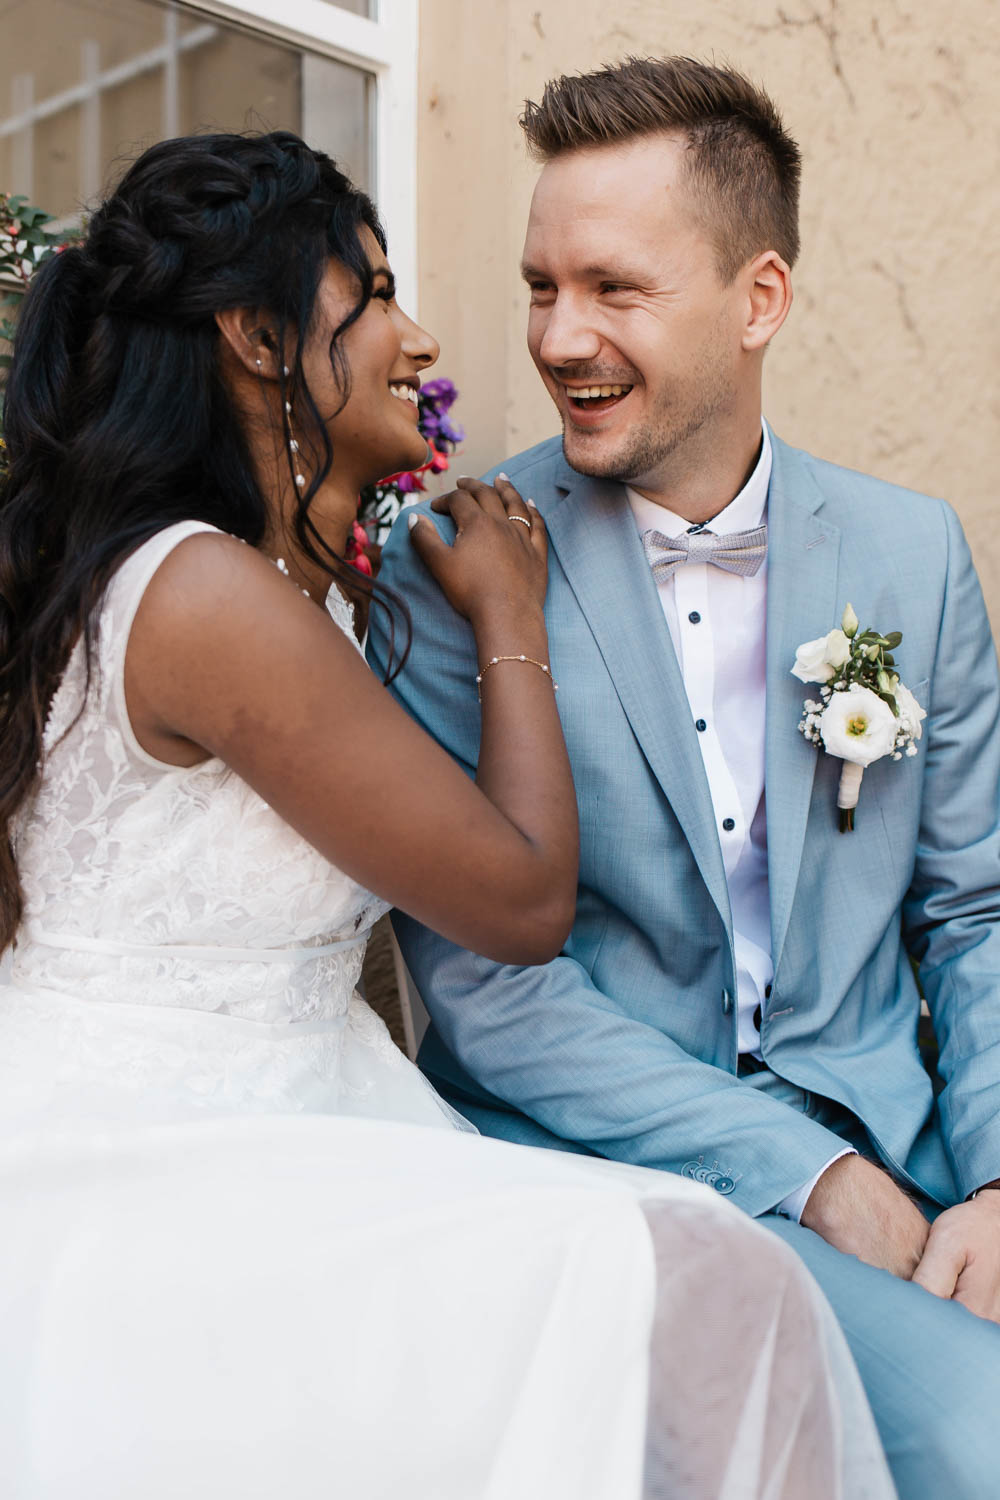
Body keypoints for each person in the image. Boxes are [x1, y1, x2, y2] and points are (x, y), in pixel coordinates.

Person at [0, 130, 893, 1500]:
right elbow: (522, 903)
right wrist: (508, 620)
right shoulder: (209, 599)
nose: (423, 341)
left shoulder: (267, 590)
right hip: (150, 1150)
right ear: (254, 338)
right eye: (374, 297)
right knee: (698, 1274)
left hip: (302, 1098)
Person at [372, 56, 1000, 1500]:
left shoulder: (912, 553)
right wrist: (804, 1172)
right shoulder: (454, 567)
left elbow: (974, 913)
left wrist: (992, 1180)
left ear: (760, 299)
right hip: (606, 1177)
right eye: (540, 286)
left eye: (613, 287)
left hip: (910, 1157)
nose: (559, 335)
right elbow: (486, 993)